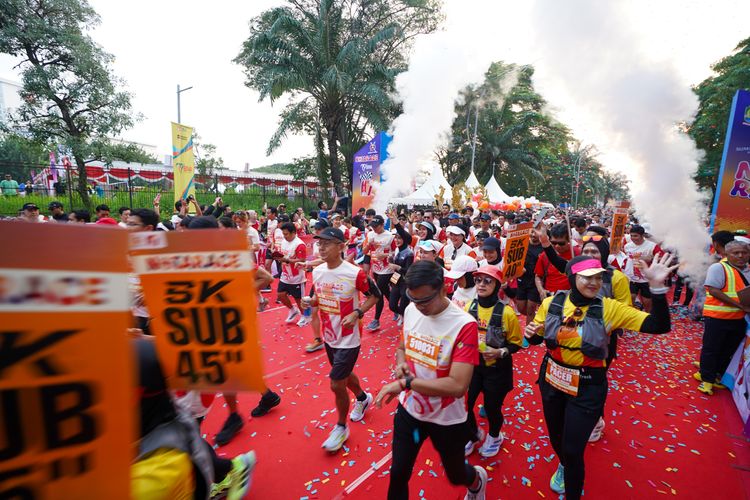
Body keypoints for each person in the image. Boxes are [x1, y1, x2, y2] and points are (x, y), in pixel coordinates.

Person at [524, 254, 675, 499]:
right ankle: (564, 464)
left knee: (573, 450)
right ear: (572, 278)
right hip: (552, 381)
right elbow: (537, 338)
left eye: (598, 277)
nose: (594, 282)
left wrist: (657, 288)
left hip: (587, 387)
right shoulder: (551, 303)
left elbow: (659, 325)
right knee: (557, 439)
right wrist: (532, 333)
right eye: (587, 277)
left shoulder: (609, 308)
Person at [374, 260, 487, 500]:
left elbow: (457, 386)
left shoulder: (464, 325)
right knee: (398, 473)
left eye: (425, 300)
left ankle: (476, 480)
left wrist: (406, 384)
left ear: (443, 289)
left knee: (456, 474)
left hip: (446, 418)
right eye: (413, 299)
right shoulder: (411, 309)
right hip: (410, 411)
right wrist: (401, 363)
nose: (419, 307)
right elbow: (402, 347)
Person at [305, 227, 380, 452]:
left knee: (336, 383)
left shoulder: (354, 273)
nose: (321, 248)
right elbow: (317, 298)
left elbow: (375, 296)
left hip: (349, 338)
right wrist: (310, 302)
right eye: (319, 243)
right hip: (329, 335)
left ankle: (341, 427)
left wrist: (357, 313)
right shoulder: (318, 271)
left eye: (327, 243)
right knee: (344, 376)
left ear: (341, 246)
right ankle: (363, 398)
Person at [464, 265, 522, 458]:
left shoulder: (507, 313)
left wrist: (500, 352)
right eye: (478, 280)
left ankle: (495, 436)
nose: (481, 284)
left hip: (497, 370)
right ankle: (473, 434)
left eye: (487, 281)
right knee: (464, 404)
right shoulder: (469, 307)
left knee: (491, 408)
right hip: (473, 367)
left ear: (497, 285)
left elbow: (516, 343)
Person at [696, 240, 750, 395]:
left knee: (728, 349)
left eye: (744, 252)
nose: (740, 256)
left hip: (739, 319)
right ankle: (706, 379)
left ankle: (717, 374)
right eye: (736, 253)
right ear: (727, 254)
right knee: (711, 348)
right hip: (717, 317)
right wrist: (740, 306)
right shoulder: (718, 268)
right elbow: (714, 290)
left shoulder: (748, 269)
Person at [365, 215, 397, 331]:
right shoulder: (370, 235)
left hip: (387, 269)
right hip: (375, 268)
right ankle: (396, 309)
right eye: (372, 226)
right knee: (385, 291)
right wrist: (368, 245)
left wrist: (385, 255)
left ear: (382, 225)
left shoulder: (390, 236)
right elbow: (364, 252)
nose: (374, 229)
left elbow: (396, 253)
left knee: (378, 292)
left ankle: (376, 320)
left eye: (376, 226)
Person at [275, 221, 308, 326]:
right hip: (285, 274)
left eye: (286, 234)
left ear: (293, 232)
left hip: (297, 276)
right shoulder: (284, 242)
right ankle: (293, 310)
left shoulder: (299, 244)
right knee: (280, 294)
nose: (284, 236)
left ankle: (305, 316)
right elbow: (283, 255)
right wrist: (279, 258)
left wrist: (287, 260)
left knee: (299, 299)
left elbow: (302, 260)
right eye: (283, 234)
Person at [623, 225, 662, 311]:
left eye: (635, 236)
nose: (633, 238)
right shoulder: (627, 246)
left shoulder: (652, 246)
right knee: (631, 297)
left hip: (646, 278)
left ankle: (647, 315)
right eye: (631, 235)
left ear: (642, 235)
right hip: (632, 277)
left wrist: (650, 259)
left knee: (647, 301)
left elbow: (662, 257)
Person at [535, 223, 578, 300]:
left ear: (569, 240)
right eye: (554, 243)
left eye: (561, 243)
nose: (557, 246)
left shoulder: (577, 254)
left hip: (571, 298)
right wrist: (541, 290)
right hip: (550, 297)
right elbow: (538, 276)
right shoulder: (544, 255)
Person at [387, 230, 415, 326]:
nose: (396, 240)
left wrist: (397, 267)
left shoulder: (409, 253)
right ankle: (404, 314)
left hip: (405, 282)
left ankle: (404, 315)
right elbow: (395, 265)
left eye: (399, 238)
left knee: (403, 304)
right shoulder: (397, 249)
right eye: (396, 238)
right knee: (392, 305)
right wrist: (391, 260)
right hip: (396, 279)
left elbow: (408, 270)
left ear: (405, 239)